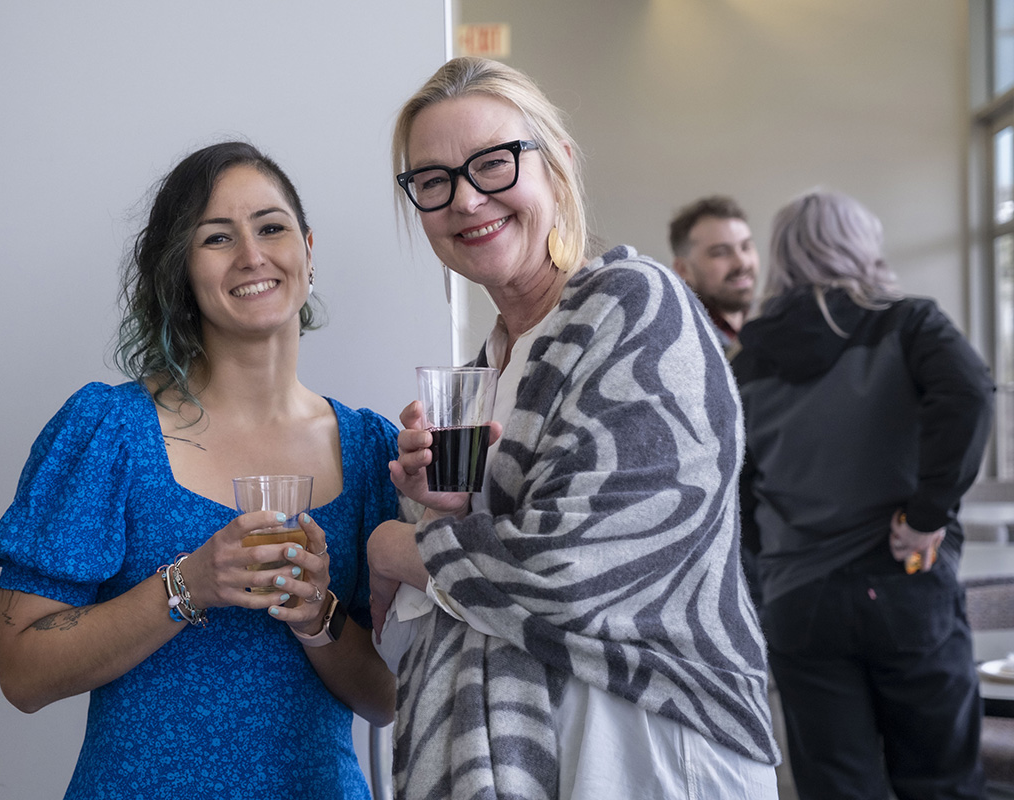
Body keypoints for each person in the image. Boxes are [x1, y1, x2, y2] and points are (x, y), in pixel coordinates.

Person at [367, 56, 780, 800]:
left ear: (555, 163)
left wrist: (397, 544)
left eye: (492, 163)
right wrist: (449, 506)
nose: (466, 199)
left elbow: (580, 568)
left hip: (647, 741)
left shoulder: (638, 308)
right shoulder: (487, 368)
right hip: (527, 747)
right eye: (433, 181)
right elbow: (490, 571)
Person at [0, 141, 398, 799]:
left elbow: (389, 697)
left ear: (308, 250)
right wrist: (189, 584)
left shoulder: (375, 451)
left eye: (271, 227)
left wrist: (319, 615)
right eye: (216, 238)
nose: (252, 256)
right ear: (181, 271)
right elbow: (23, 672)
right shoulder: (110, 433)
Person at [733, 189, 994, 799]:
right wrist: (928, 515)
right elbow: (971, 394)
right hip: (905, 579)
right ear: (861, 246)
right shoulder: (909, 322)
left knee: (837, 789)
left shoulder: (745, 361)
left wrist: (765, 579)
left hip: (800, 604)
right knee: (942, 784)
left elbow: (737, 491)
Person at [668, 195, 759, 354]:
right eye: (720, 253)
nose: (742, 263)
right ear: (682, 269)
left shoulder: (776, 319)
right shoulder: (678, 344)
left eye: (746, 247)